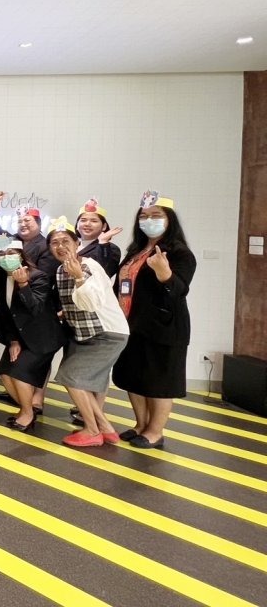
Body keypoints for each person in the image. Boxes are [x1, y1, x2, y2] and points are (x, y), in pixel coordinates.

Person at [112, 191, 197, 449]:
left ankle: (155, 431)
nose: (149, 221)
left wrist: (165, 274)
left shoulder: (179, 253)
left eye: (156, 215)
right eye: (144, 216)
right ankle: (141, 424)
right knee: (134, 377)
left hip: (163, 327)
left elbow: (178, 290)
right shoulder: (136, 250)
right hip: (131, 325)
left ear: (169, 220)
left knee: (159, 381)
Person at [47, 217, 129, 446]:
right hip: (87, 334)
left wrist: (79, 277)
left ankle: (92, 431)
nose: (60, 246)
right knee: (83, 381)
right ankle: (105, 428)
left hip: (106, 332)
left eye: (65, 241)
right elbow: (74, 302)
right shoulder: (60, 269)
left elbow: (92, 302)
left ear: (77, 243)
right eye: (54, 243)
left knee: (71, 376)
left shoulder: (88, 266)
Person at [0, 234, 65, 431]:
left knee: (20, 373)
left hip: (43, 337)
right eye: (2, 254)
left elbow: (36, 308)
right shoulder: (1, 278)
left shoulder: (38, 276)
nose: (6, 257)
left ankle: (27, 413)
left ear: (21, 255)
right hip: (20, 337)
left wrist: (24, 285)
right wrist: (13, 340)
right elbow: (6, 313)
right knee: (5, 372)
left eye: (11, 253)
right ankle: (26, 407)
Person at [74, 197, 123, 278]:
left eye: (94, 221)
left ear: (104, 226)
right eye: (83, 220)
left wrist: (103, 244)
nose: (87, 224)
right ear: (77, 225)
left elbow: (105, 272)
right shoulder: (70, 247)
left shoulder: (111, 248)